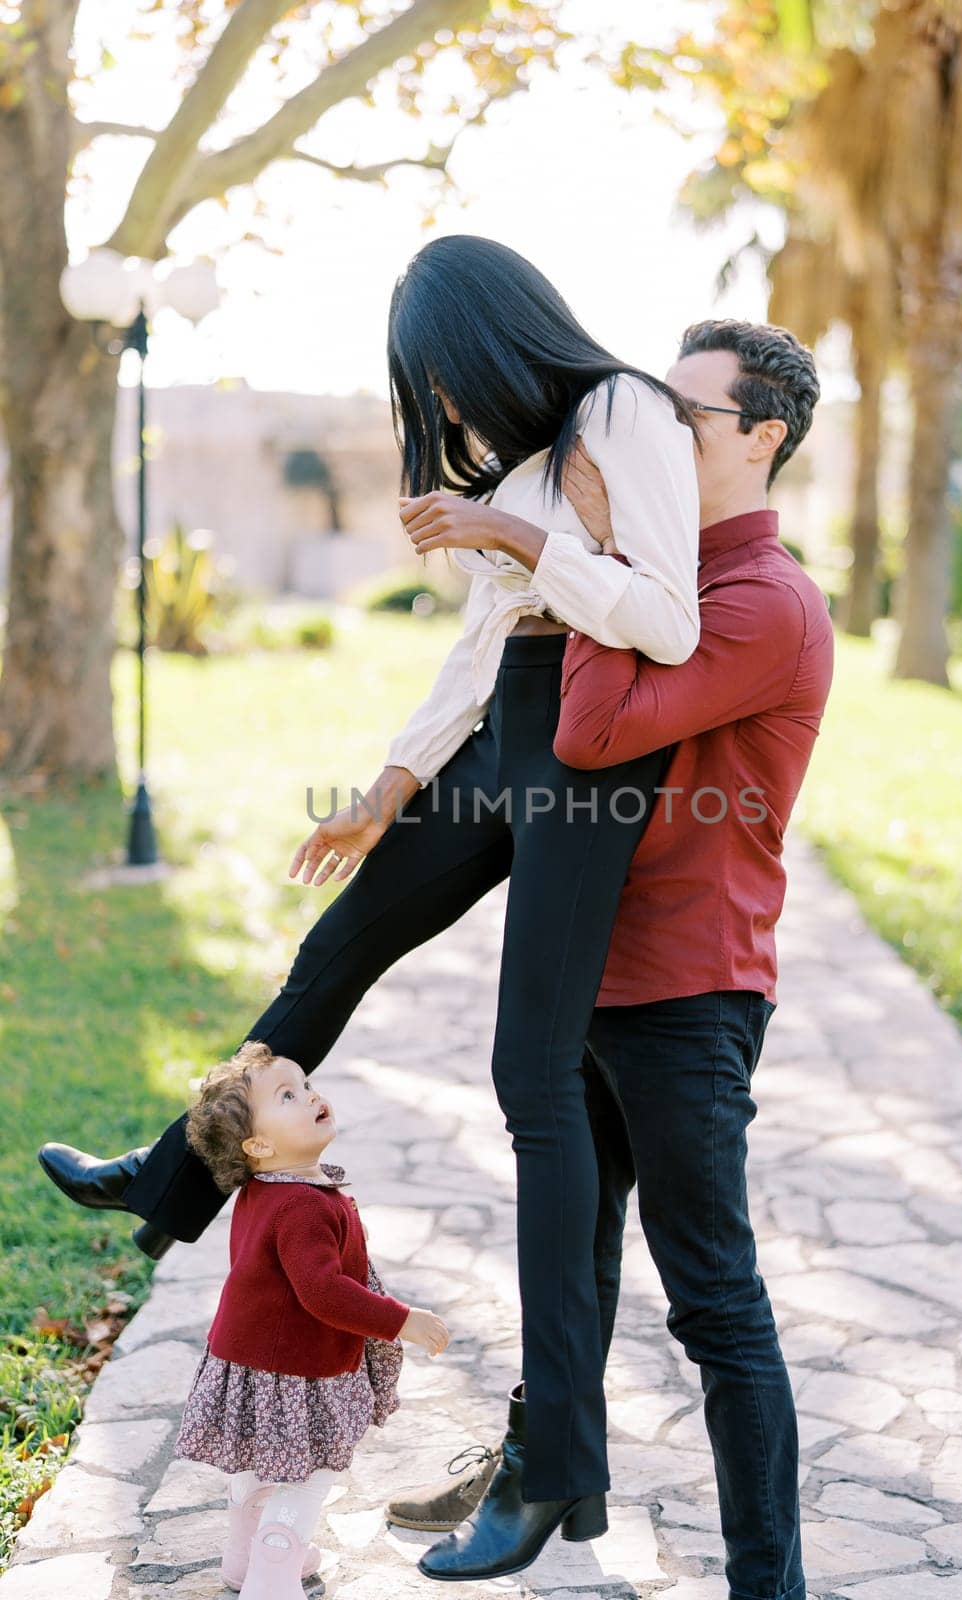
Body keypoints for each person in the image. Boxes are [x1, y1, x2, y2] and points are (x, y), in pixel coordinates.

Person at [38, 235, 703, 1575]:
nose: (445, 412)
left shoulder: (626, 411)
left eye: (444, 382)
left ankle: (557, 1456)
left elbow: (667, 624)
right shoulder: (524, 461)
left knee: (533, 1080)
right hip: (501, 734)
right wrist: (383, 794)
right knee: (331, 949)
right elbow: (474, 656)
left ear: (495, 338)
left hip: (595, 751)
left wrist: (514, 535)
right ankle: (167, 1185)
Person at [386, 319, 832, 1600]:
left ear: (760, 437)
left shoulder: (763, 602)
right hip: (585, 974)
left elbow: (584, 731)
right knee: (564, 1262)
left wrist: (564, 550)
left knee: (713, 1303)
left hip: (685, 996)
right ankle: (542, 1486)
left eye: (683, 419)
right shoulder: (652, 572)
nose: (642, 435)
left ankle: (767, 1583)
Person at [170, 1041, 449, 1599]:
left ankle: (244, 1555)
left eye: (305, 1084)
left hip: (246, 1358)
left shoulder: (263, 1190)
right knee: (311, 1470)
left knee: (254, 1459)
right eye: (288, 1095)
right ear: (259, 1144)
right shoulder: (303, 1206)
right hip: (302, 1370)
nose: (311, 1095)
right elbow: (323, 1293)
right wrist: (401, 1321)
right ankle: (275, 1568)